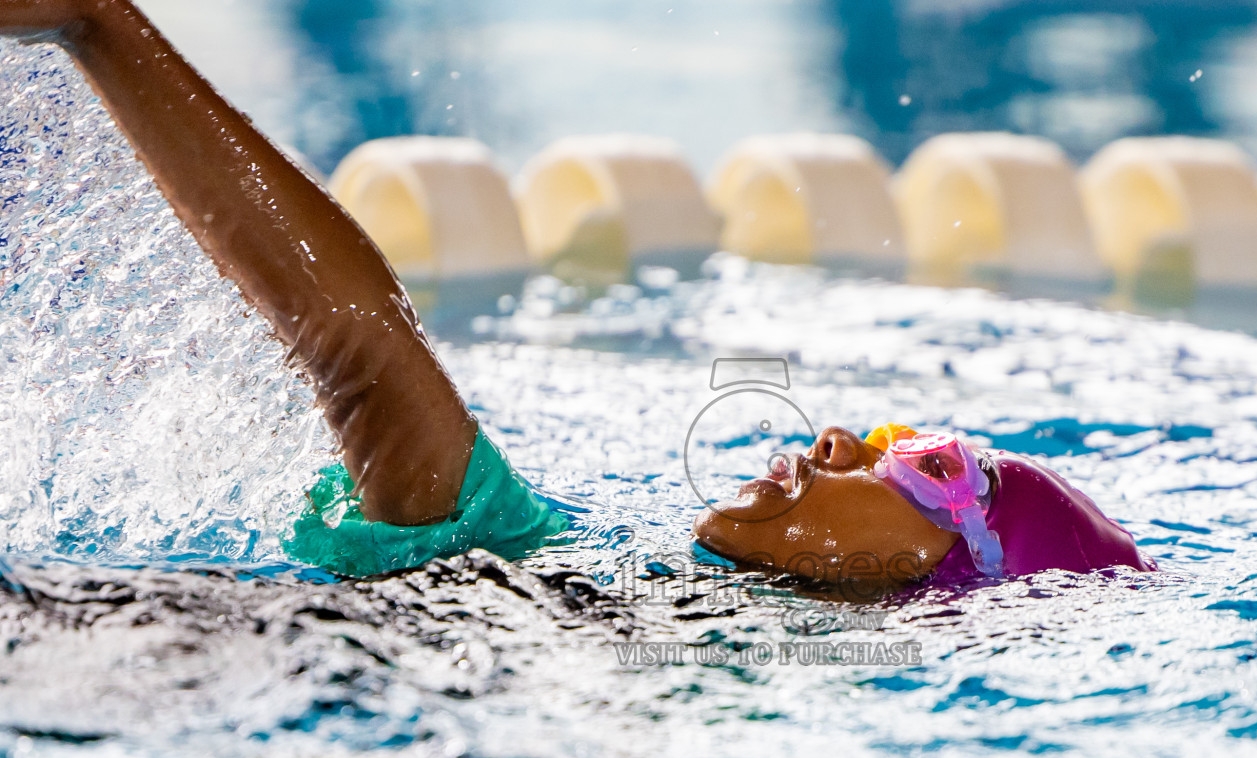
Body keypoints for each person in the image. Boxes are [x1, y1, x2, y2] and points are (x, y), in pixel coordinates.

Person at [1, 0, 1153, 588]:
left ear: (952, 580)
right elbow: (355, 347)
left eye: (928, 467)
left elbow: (362, 346)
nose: (844, 435)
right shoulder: (531, 553)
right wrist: (98, 25)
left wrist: (101, 26)